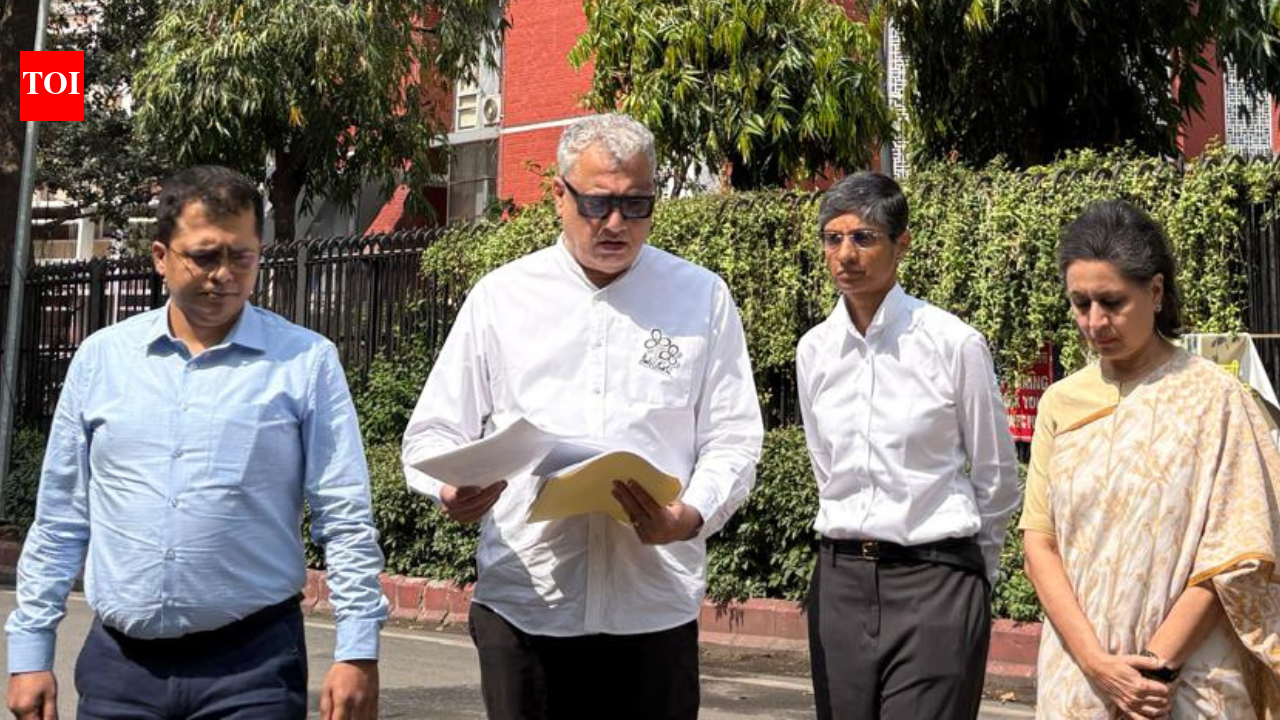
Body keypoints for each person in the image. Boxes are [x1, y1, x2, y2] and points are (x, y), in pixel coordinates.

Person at [401, 113, 764, 720]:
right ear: (559, 196)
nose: (616, 223)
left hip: (652, 608)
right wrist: (450, 488)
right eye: (597, 203)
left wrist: (691, 515)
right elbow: (432, 432)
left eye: (636, 205)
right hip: (527, 605)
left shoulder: (700, 297)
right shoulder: (503, 298)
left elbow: (732, 436)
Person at [5, 166, 388, 720]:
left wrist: (357, 650)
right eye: (205, 257)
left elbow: (344, 512)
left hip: (254, 668)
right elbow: (61, 516)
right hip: (120, 671)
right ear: (161, 257)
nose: (224, 275)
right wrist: (30, 652)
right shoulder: (103, 360)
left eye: (242, 257)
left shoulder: (305, 362)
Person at [1021, 199, 1280, 719]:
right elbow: (1039, 543)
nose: (1095, 322)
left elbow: (1237, 552)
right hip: (1080, 677)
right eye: (1080, 303)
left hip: (1188, 681)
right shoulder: (1060, 404)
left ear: (1156, 292)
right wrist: (1098, 665)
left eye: (1112, 302)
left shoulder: (1216, 398)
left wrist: (1154, 668)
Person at [796, 172, 1020, 719]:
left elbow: (996, 474)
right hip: (840, 583)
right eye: (833, 238)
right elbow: (827, 468)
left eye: (863, 237)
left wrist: (973, 577)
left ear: (902, 245)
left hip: (936, 582)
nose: (845, 254)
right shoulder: (814, 351)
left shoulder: (953, 343)